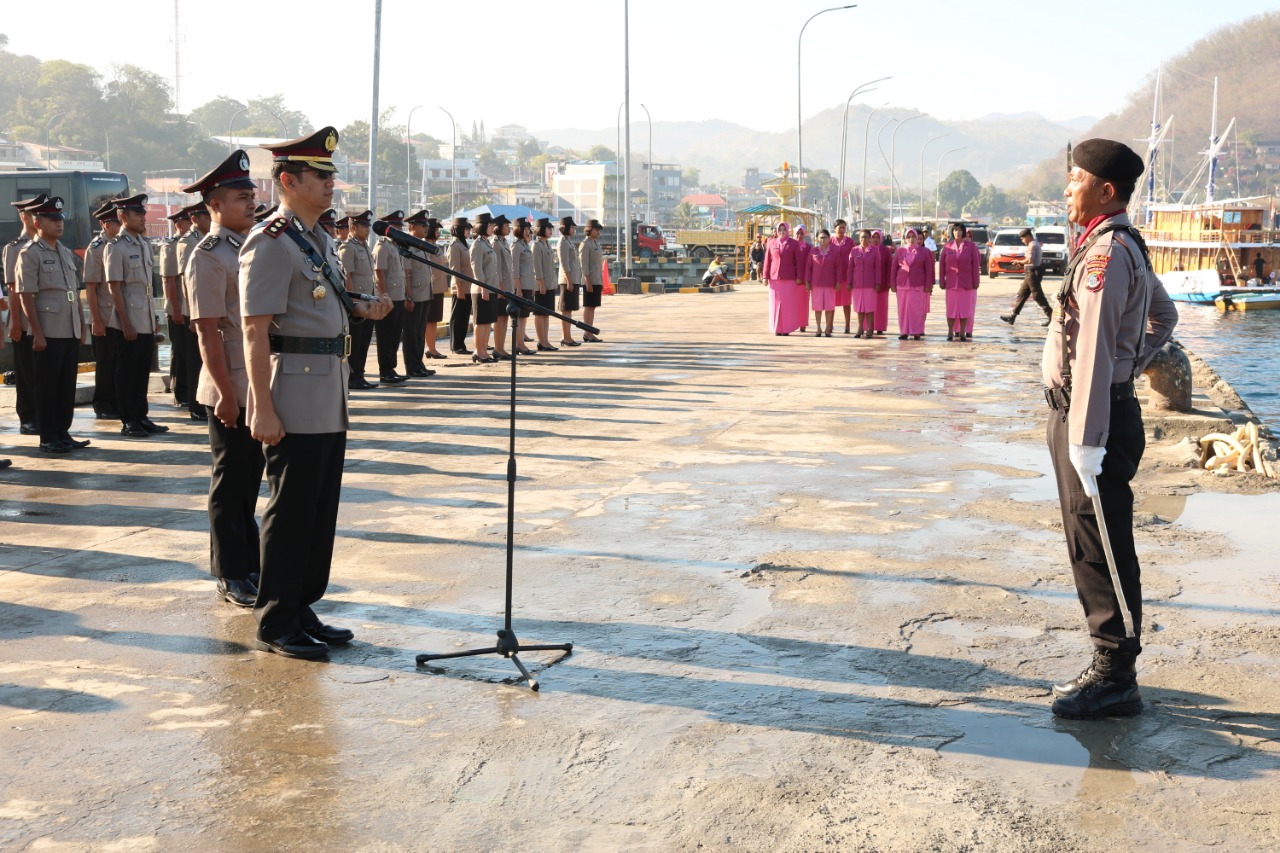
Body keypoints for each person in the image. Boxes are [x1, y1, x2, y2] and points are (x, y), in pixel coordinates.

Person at [240, 126, 392, 659]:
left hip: (328, 386)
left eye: (330, 175)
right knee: (290, 507)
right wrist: (259, 404)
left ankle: (301, 604)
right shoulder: (271, 241)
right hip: (293, 390)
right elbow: (256, 331)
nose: (331, 184)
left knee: (319, 507)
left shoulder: (316, 237)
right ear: (288, 180)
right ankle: (275, 619)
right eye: (320, 175)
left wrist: (361, 305)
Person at [1043, 138, 1178, 719]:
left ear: (1105, 189)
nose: (1067, 188)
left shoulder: (1106, 253)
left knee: (1099, 543)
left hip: (1089, 414)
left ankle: (1115, 673)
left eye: (1075, 179)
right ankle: (1109, 661)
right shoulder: (1123, 243)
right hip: (1095, 407)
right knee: (1090, 538)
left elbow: (1095, 351)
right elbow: (1162, 318)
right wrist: (1134, 363)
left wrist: (1088, 435)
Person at [182, 149, 263, 609]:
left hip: (257, 384)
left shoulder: (250, 246)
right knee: (230, 483)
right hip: (229, 386)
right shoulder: (208, 257)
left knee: (251, 481)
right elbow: (207, 331)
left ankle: (250, 564)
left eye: (252, 194)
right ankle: (230, 572)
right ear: (214, 204)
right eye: (240, 196)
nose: (251, 202)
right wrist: (226, 396)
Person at [13, 196, 89, 453]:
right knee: (46, 386)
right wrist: (37, 332)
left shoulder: (64, 252)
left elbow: (74, 292)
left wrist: (81, 323)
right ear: (37, 222)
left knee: (66, 385)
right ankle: (48, 436)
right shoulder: (29, 253)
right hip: (48, 327)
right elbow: (25, 295)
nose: (59, 224)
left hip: (68, 326)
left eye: (60, 220)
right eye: (52, 220)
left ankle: (62, 432)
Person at [105, 193, 168, 438]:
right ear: (123, 217)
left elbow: (147, 289)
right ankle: (129, 419)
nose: (143, 218)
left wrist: (153, 318)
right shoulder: (116, 247)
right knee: (127, 371)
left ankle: (142, 415)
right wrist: (126, 322)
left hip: (144, 317)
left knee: (141, 371)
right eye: (138, 214)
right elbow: (115, 287)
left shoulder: (142, 244)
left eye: (143, 213)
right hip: (127, 320)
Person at [4, 194, 47, 437]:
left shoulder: (45, 245)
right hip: (23, 320)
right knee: (27, 373)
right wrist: (17, 323)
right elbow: (13, 288)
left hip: (44, 319)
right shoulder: (15, 248)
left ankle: (45, 417)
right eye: (34, 214)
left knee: (44, 374)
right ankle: (28, 418)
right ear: (24, 217)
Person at [83, 201, 122, 420]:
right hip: (105, 315)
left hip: (122, 313)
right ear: (104, 224)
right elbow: (91, 287)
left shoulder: (122, 245)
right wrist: (96, 320)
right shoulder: (96, 248)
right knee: (106, 363)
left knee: (120, 363)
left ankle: (118, 401)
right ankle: (104, 403)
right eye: (116, 222)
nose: (120, 225)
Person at [178, 202, 212, 422]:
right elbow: (185, 279)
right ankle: (195, 405)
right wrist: (191, 312)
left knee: (206, 358)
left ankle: (204, 402)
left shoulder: (210, 239)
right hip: (195, 309)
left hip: (210, 307)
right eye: (207, 216)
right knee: (194, 361)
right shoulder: (188, 243)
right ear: (195, 219)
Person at [337, 210, 378, 389]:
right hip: (357, 304)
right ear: (353, 228)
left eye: (368, 227)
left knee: (364, 341)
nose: (368, 230)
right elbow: (348, 277)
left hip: (368, 303)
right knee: (355, 342)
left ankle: (360, 374)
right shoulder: (348, 248)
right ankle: (352, 377)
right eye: (364, 227)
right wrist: (353, 304)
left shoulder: (364, 247)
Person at [161, 207, 195, 414]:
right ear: (179, 224)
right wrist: (175, 309)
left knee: (189, 353)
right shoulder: (171, 246)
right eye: (188, 223)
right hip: (178, 308)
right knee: (180, 352)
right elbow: (169, 280)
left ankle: (187, 390)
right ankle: (181, 392)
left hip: (189, 307)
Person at [400, 210, 441, 375]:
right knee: (411, 333)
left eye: (427, 225)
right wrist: (408, 296)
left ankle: (419, 364)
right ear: (412, 226)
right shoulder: (407, 245)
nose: (426, 228)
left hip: (425, 294)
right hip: (415, 296)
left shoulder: (421, 244)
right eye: (423, 225)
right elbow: (406, 273)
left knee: (420, 331)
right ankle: (412, 367)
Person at [372, 209, 408, 383]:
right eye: (395, 226)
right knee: (386, 336)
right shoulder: (382, 246)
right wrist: (384, 295)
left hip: (399, 296)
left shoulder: (395, 246)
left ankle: (391, 368)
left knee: (395, 335)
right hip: (389, 298)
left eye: (400, 227)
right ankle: (385, 370)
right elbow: (379, 272)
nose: (399, 230)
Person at [1001, 229, 1052, 326]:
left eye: (1022, 238)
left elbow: (1029, 260)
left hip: (1032, 272)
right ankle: (1012, 316)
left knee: (1037, 295)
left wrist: (1019, 262)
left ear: (1028, 236)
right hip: (1030, 272)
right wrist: (1021, 264)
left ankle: (1052, 315)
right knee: (1022, 294)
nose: (1022, 241)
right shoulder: (1035, 244)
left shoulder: (1032, 245)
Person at [939, 223, 981, 341]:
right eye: (955, 230)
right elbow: (942, 265)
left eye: (960, 230)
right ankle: (950, 331)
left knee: (964, 309)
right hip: (951, 284)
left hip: (966, 283)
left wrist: (976, 281)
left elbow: (975, 265)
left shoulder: (970, 246)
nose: (957, 232)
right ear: (952, 232)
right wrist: (942, 280)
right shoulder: (947, 247)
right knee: (951, 309)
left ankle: (962, 331)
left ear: (963, 232)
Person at [891, 228, 935, 340]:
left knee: (917, 309)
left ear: (918, 238)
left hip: (918, 284)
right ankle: (904, 331)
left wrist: (928, 285)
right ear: (905, 238)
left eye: (913, 237)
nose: (911, 239)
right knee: (903, 309)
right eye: (909, 237)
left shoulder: (925, 252)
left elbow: (929, 269)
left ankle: (917, 331)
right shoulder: (900, 251)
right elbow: (894, 268)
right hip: (902, 284)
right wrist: (892, 284)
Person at [469, 212, 499, 362]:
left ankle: (484, 351)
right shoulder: (477, 244)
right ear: (482, 226)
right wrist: (483, 287)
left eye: (493, 226)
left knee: (488, 322)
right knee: (480, 322)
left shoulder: (487, 243)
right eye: (490, 225)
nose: (493, 228)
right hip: (482, 289)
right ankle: (478, 351)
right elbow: (477, 268)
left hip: (490, 287)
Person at [762, 222, 801, 335]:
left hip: (789, 279)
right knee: (775, 304)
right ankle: (776, 328)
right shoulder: (771, 242)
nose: (782, 231)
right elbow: (767, 261)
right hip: (774, 279)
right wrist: (765, 276)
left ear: (788, 230)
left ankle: (786, 329)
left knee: (787, 305)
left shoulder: (794, 243)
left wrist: (799, 276)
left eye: (784, 229)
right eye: (780, 229)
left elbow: (798, 262)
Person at [510, 217, 538, 356]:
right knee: (519, 316)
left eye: (529, 229)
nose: (528, 232)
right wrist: (518, 288)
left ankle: (521, 343)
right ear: (518, 230)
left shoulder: (525, 245)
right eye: (526, 229)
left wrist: (532, 285)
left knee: (524, 316)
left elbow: (529, 267)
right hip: (519, 286)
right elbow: (514, 269)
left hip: (527, 285)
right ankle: (519, 344)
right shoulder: (516, 245)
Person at [447, 217, 474, 355]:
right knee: (457, 317)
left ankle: (461, 344)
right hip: (460, 287)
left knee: (464, 318)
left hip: (468, 286)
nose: (469, 231)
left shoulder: (464, 244)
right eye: (466, 228)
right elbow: (455, 269)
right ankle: (455, 345)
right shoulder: (455, 245)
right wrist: (459, 288)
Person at [804, 230, 838, 336]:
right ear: (817, 238)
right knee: (817, 307)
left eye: (825, 237)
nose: (823, 239)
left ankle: (828, 328)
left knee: (829, 307)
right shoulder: (813, 251)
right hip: (816, 284)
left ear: (829, 239)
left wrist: (838, 282)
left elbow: (838, 268)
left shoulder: (834, 251)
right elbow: (808, 267)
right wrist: (807, 281)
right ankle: (818, 328)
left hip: (830, 283)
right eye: (820, 237)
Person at [490, 214, 515, 359]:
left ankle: (501, 347)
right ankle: (497, 348)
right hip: (501, 287)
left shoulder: (504, 242)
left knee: (505, 318)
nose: (509, 228)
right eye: (506, 226)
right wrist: (500, 288)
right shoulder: (495, 243)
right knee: (500, 318)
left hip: (507, 286)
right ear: (498, 227)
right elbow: (497, 268)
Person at [532, 217, 558, 351]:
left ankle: (546, 340)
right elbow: (537, 267)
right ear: (541, 229)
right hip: (541, 285)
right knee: (539, 313)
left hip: (549, 284)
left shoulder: (547, 244)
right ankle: (541, 340)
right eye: (548, 228)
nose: (550, 231)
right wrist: (541, 283)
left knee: (546, 313)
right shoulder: (537, 246)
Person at [557, 216, 583, 347]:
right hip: (567, 280)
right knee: (566, 310)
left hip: (572, 279)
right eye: (572, 227)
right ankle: (566, 337)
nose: (574, 229)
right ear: (565, 228)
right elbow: (564, 263)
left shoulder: (568, 242)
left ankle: (568, 336)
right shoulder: (562, 242)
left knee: (569, 310)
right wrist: (569, 280)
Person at [849, 229, 879, 338]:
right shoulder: (854, 250)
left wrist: (877, 282)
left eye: (866, 237)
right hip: (857, 284)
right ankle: (860, 327)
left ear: (870, 238)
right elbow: (850, 268)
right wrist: (849, 282)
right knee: (859, 308)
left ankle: (870, 328)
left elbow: (878, 268)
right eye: (861, 237)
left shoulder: (875, 251)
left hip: (870, 284)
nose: (863, 239)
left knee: (869, 308)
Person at [578, 219, 605, 342]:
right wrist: (587, 280)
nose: (598, 232)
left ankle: (590, 331)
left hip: (596, 279)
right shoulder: (585, 244)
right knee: (588, 306)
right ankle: (587, 333)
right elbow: (584, 265)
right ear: (589, 230)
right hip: (590, 279)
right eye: (596, 230)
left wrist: (601, 281)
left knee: (593, 306)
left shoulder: (596, 244)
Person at [829, 219, 854, 333]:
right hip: (833, 276)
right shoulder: (830, 241)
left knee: (846, 302)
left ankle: (847, 325)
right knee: (831, 302)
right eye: (840, 227)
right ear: (835, 228)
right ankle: (830, 324)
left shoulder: (850, 242)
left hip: (846, 275)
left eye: (844, 227)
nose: (842, 230)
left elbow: (853, 258)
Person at [793, 225, 813, 332]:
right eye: (797, 233)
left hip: (804, 280)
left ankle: (802, 324)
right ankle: (793, 323)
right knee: (792, 303)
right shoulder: (790, 246)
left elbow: (810, 265)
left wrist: (807, 280)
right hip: (792, 280)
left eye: (801, 233)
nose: (799, 235)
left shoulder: (809, 248)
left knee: (803, 304)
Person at [872, 230, 892, 336]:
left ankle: (880, 327)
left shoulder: (886, 251)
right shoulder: (868, 250)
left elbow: (889, 267)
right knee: (869, 305)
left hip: (883, 283)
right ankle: (869, 326)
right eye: (873, 237)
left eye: (877, 237)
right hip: (869, 283)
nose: (875, 239)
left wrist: (889, 282)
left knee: (881, 306)